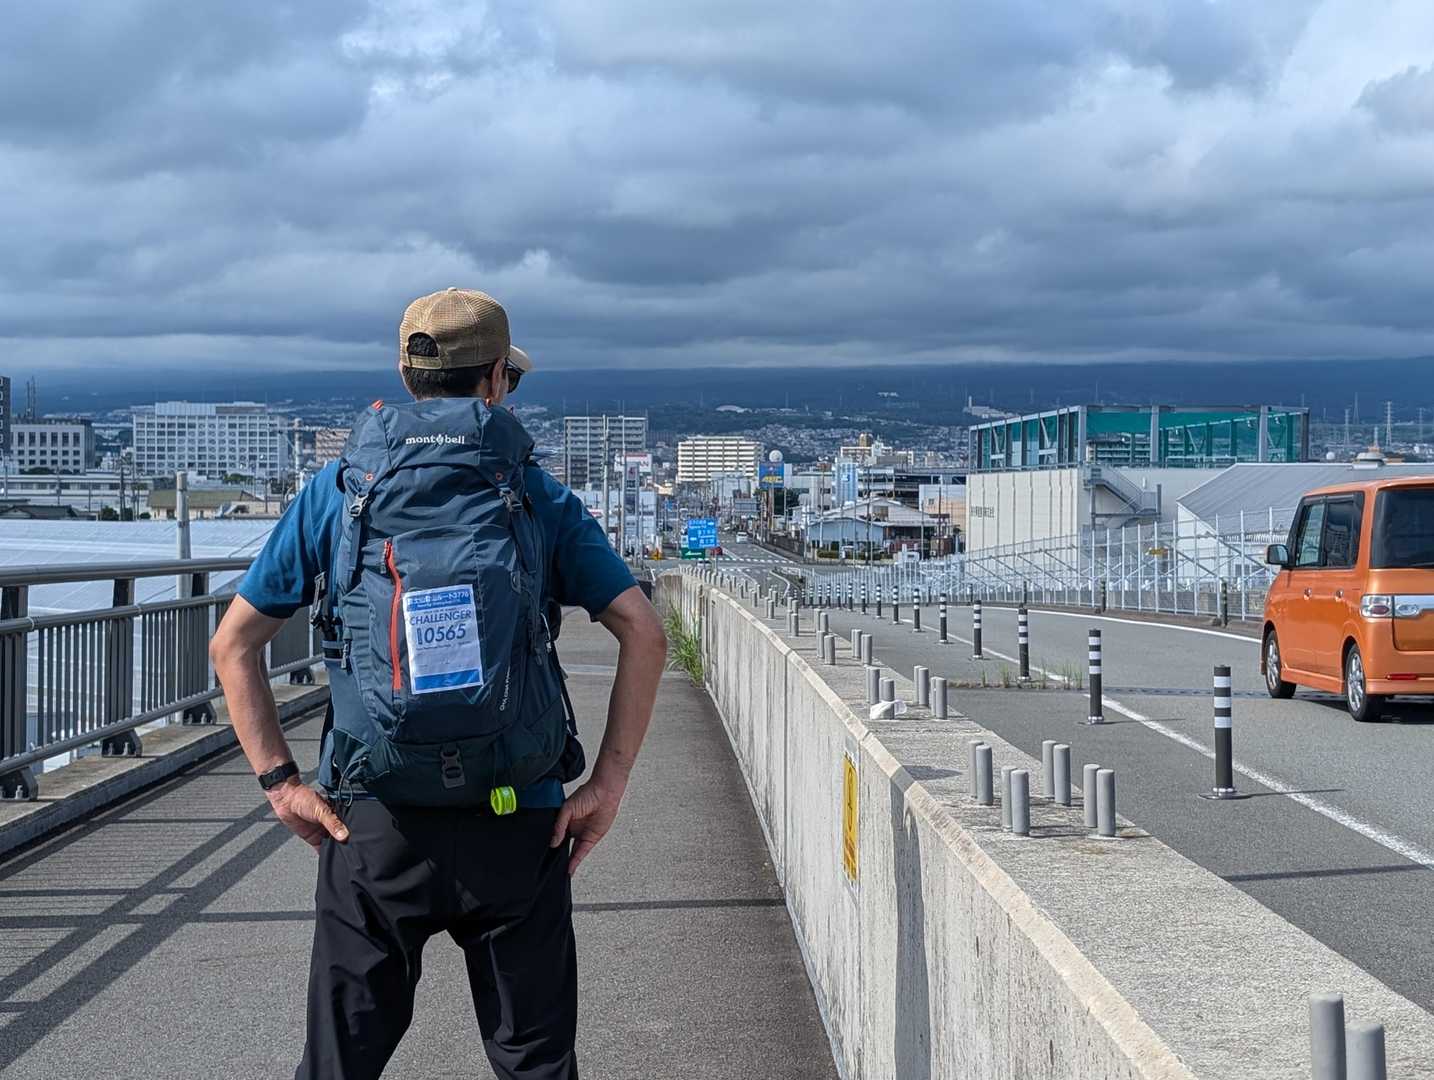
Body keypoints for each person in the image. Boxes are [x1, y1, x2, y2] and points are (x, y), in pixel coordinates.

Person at [209, 287, 667, 1080]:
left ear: (406, 376)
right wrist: (607, 785)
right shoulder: (536, 493)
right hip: (518, 816)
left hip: (373, 823)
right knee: (536, 1063)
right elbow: (644, 632)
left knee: (338, 1065)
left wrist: (282, 785)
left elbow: (233, 645)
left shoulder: (339, 492)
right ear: (495, 380)